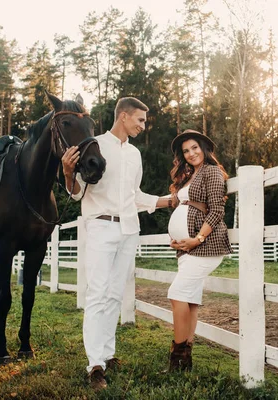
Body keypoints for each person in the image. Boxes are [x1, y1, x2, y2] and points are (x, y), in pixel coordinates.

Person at [62, 97, 171, 391]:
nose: (143, 126)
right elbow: (76, 193)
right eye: (140, 120)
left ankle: (108, 355)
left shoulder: (135, 155)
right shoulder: (93, 143)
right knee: (97, 294)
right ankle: (94, 365)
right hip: (99, 225)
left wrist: (170, 200)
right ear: (123, 116)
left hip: (128, 229)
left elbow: (135, 195)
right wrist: (68, 173)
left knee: (114, 295)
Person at [165, 129, 232, 371]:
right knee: (190, 299)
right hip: (187, 248)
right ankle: (185, 360)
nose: (191, 153)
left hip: (206, 246)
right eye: (186, 151)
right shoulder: (190, 176)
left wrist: (197, 238)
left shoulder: (212, 172)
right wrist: (178, 238)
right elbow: (183, 206)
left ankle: (177, 357)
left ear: (203, 148)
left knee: (177, 294)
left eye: (194, 147)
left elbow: (216, 210)